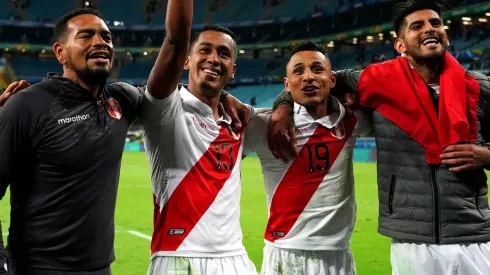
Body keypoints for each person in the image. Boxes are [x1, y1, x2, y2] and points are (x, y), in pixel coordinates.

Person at [269, 1, 490, 274]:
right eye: (417, 26)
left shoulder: (479, 87)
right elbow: (316, 80)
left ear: (446, 34)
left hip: (475, 232)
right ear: (400, 45)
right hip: (411, 238)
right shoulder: (377, 80)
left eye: (435, 23)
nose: (429, 29)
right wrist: (281, 108)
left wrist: (486, 155)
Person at [0, 1, 193, 274]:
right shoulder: (27, 106)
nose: (101, 42)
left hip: (100, 268)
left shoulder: (121, 98)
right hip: (38, 267)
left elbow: (169, 85)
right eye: (86, 35)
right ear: (60, 52)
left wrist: (226, 98)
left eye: (106, 36)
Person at [243, 41, 370, 275]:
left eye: (317, 69)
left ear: (332, 80)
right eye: (298, 71)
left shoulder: (353, 120)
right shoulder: (265, 125)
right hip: (283, 253)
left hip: (337, 255)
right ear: (287, 84)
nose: (308, 77)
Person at [141, 24, 258, 275]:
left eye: (224, 54)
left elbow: (296, 105)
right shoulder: (165, 111)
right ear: (186, 61)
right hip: (176, 257)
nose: (214, 58)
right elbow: (174, 40)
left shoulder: (241, 121)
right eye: (205, 50)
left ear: (233, 70)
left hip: (234, 260)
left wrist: (281, 104)